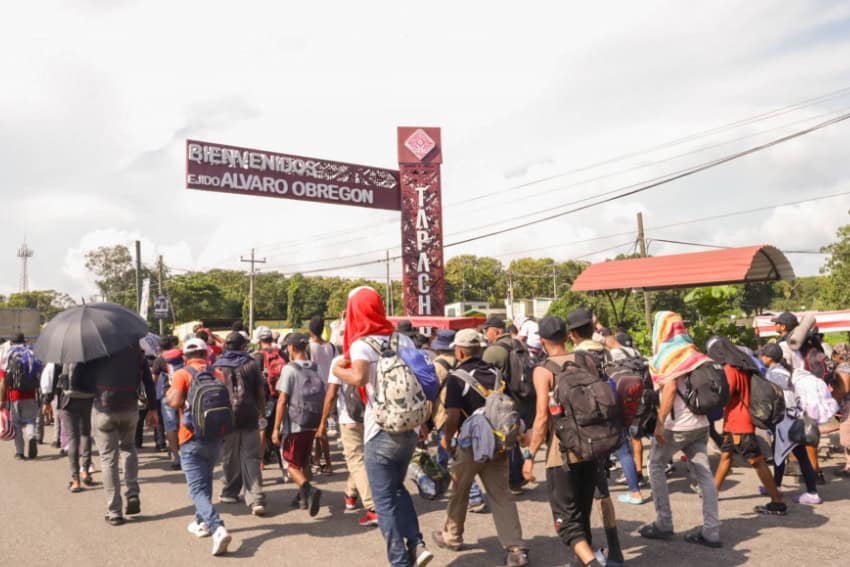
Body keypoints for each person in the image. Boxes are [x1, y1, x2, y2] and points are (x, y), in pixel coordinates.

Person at [333, 286, 433, 567]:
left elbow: (360, 377)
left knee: (383, 500)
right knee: (397, 488)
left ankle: (400, 561)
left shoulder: (361, 343)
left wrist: (339, 370)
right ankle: (417, 544)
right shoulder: (402, 339)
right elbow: (423, 378)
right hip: (410, 427)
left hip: (380, 431)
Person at [432, 329, 528, 566]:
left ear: (460, 351)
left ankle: (452, 536)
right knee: (501, 495)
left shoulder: (457, 378)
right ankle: (515, 549)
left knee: (460, 492)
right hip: (497, 444)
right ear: (481, 350)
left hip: (470, 447)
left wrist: (447, 439)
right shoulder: (496, 374)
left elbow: (453, 415)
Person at [524, 315, 606, 567]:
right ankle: (583, 561)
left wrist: (530, 456)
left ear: (541, 340)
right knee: (582, 512)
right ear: (567, 335)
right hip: (592, 446)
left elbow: (541, 418)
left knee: (566, 522)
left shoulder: (544, 370)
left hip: (562, 454)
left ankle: (591, 563)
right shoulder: (585, 360)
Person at [639, 311, 721, 548]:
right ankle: (711, 530)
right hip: (701, 423)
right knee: (704, 474)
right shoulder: (695, 352)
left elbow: (670, 389)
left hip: (677, 426)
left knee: (655, 465)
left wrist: (660, 422)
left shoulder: (667, 355)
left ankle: (664, 522)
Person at [565, 309, 625, 566]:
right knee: (601, 489)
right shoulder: (608, 350)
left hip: (589, 430)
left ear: (572, 333)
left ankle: (594, 553)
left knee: (589, 493)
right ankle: (614, 548)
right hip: (612, 424)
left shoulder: (577, 356)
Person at [79, 342, 158, 526]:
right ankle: (132, 492)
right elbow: (148, 381)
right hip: (130, 409)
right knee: (129, 448)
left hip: (103, 409)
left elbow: (79, 382)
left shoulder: (96, 351)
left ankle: (114, 511)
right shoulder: (136, 352)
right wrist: (153, 408)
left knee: (108, 459)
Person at [166, 338, 232, 555]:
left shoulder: (182, 374)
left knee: (196, 489)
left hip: (190, 437)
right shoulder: (218, 374)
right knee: (205, 482)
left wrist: (169, 393)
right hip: (215, 437)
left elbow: (174, 403)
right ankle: (200, 522)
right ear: (206, 354)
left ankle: (217, 527)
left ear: (185, 357)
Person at [708, 335, 787, 516]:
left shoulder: (730, 369)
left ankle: (777, 501)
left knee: (756, 461)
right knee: (726, 457)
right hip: (735, 422)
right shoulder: (743, 365)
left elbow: (726, 395)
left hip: (739, 423)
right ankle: (712, 493)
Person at [316, 353, 378, 527]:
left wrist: (323, 423)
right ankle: (350, 494)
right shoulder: (371, 356)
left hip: (348, 418)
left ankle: (373, 508)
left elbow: (331, 394)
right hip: (371, 416)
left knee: (356, 460)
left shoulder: (340, 361)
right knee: (361, 459)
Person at [759, 343, 821, 503]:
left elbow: (785, 398)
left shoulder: (776, 374)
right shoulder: (783, 371)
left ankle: (812, 493)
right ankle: (776, 485)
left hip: (786, 421)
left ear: (769, 357)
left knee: (799, 455)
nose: (761, 358)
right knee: (779, 454)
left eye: (763, 355)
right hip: (790, 419)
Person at [272, 333, 325, 516]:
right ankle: (302, 497)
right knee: (304, 462)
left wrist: (275, 429)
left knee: (292, 465)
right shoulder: (317, 368)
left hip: (295, 424)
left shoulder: (289, 369)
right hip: (312, 422)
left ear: (291, 348)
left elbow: (282, 400)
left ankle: (309, 489)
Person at [216, 332, 267, 516]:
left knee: (230, 455)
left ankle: (230, 491)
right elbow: (261, 392)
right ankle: (256, 498)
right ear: (242, 346)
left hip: (227, 416)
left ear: (226, 345)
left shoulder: (219, 365)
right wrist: (261, 413)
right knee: (251, 457)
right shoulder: (252, 364)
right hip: (250, 414)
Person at [482, 316, 526, 494]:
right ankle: (518, 477)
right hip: (522, 396)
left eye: (487, 330)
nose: (486, 334)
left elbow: (483, 376)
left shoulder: (494, 350)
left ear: (497, 331)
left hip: (504, 402)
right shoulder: (518, 344)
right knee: (513, 437)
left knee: (506, 439)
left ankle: (513, 479)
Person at [0, 333, 43, 460]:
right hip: (30, 394)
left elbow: (3, 382)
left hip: (14, 395)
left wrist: (2, 399)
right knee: (30, 420)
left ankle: (20, 453)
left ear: (12, 342)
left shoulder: (7, 356)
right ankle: (32, 437)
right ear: (24, 341)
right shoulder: (31, 354)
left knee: (17, 424)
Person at [60, 363, 95, 492]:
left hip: (70, 399)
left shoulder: (68, 355)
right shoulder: (92, 354)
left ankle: (76, 480)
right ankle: (85, 471)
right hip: (88, 398)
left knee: (73, 438)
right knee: (86, 434)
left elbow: (63, 379)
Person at [309, 315, 336, 474]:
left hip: (314, 391)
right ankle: (318, 459)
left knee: (320, 428)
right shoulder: (331, 347)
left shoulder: (309, 347)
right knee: (322, 426)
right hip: (331, 390)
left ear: (310, 330)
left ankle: (327, 462)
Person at [254, 328, 284, 470]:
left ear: (260, 341)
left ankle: (261, 461)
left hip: (264, 396)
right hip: (281, 395)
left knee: (262, 427)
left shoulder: (257, 357)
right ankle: (283, 458)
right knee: (279, 427)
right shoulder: (281, 354)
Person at [832, 343, 850, 478]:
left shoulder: (843, 368)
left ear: (839, 355)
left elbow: (844, 389)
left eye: (834, 353)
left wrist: (831, 401)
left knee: (847, 439)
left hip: (847, 407)